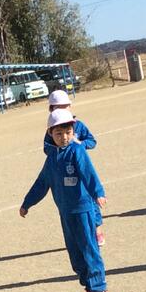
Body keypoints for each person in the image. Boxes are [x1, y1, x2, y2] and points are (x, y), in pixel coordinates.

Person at [20, 109, 110, 292]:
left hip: (83, 209)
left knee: (89, 249)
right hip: (66, 212)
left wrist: (98, 192)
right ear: (50, 133)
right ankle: (90, 289)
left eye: (68, 132)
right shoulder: (52, 158)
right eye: (59, 133)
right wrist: (27, 203)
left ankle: (99, 291)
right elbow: (42, 183)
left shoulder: (77, 151)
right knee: (75, 254)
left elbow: (88, 173)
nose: (64, 137)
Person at [46, 89, 104, 246]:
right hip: (64, 171)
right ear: (51, 109)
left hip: (82, 168)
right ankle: (78, 236)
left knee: (91, 198)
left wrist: (80, 145)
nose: (62, 109)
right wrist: (58, 154)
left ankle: (97, 230)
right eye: (57, 107)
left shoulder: (78, 125)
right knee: (72, 203)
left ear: (70, 106)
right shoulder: (52, 128)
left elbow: (92, 141)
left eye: (65, 106)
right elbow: (47, 148)